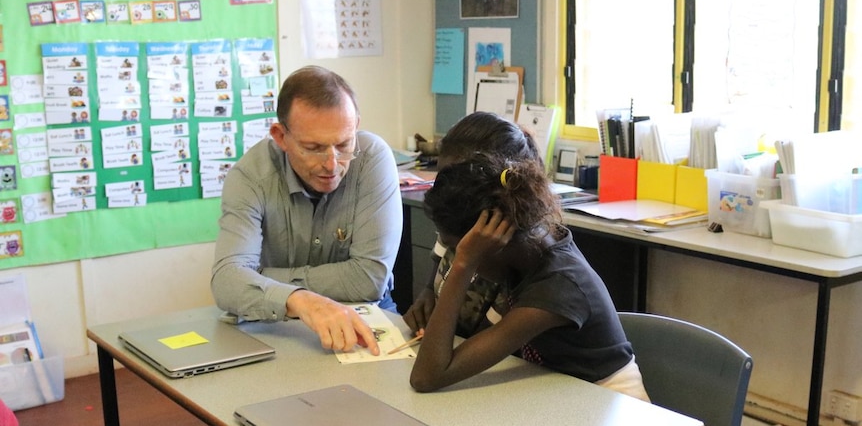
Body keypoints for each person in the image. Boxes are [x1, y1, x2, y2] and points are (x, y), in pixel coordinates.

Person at [403, 115, 649, 401]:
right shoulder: (525, 247)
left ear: (494, 239)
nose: (460, 258)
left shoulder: (555, 287)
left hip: (614, 406)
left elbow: (427, 376)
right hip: (564, 398)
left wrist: (463, 263)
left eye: (464, 250)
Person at [211, 66, 402, 356]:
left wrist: (263, 278)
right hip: (279, 323)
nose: (331, 163)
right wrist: (301, 301)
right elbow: (226, 282)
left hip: (368, 315)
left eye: (343, 144)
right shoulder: (250, 176)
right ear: (280, 136)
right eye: (313, 147)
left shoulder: (373, 158)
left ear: (356, 126)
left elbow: (368, 279)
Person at [402, 111, 541, 329]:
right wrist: (428, 290)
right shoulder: (456, 215)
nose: (445, 190)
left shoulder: (509, 253)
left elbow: (481, 344)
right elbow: (440, 256)